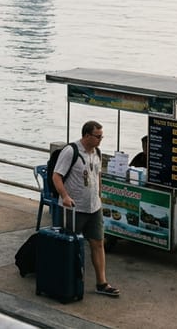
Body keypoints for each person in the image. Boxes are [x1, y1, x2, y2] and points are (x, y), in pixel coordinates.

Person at [52, 120, 121, 297]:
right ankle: (66, 279)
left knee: (98, 243)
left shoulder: (97, 152)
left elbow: (97, 174)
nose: (100, 140)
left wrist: (99, 195)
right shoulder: (71, 151)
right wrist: (65, 196)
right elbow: (56, 176)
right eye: (98, 136)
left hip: (94, 207)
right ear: (87, 135)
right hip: (74, 207)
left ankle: (102, 282)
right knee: (70, 245)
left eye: (101, 136)